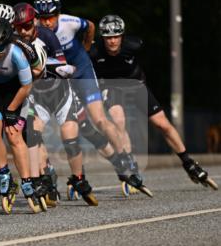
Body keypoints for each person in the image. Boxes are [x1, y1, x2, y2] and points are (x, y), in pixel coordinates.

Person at [89, 14, 217, 191]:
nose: (112, 41)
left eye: (116, 36)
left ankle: (189, 163)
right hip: (112, 88)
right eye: (108, 37)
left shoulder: (134, 45)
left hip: (135, 85)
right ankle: (130, 165)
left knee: (162, 124)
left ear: (122, 36)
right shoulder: (94, 52)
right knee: (118, 120)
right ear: (102, 38)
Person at [33, 0, 136, 184]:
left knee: (99, 119)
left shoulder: (69, 23)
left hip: (82, 71)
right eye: (42, 17)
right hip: (62, 79)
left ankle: (124, 158)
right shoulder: (35, 30)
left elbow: (90, 26)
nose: (46, 22)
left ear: (59, 14)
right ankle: (73, 174)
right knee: (78, 126)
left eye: (51, 17)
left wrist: (86, 47)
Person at [12, 3, 98, 206]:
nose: (23, 31)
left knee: (70, 139)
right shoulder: (13, 42)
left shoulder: (47, 36)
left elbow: (63, 66)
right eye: (18, 27)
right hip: (37, 96)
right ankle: (44, 178)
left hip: (60, 93)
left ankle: (78, 178)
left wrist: (47, 69)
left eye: (26, 26)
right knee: (33, 135)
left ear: (34, 22)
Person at [0, 4, 46, 213]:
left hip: (17, 90)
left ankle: (27, 181)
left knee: (13, 134)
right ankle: (4, 175)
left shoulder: (19, 50)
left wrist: (13, 110)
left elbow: (28, 83)